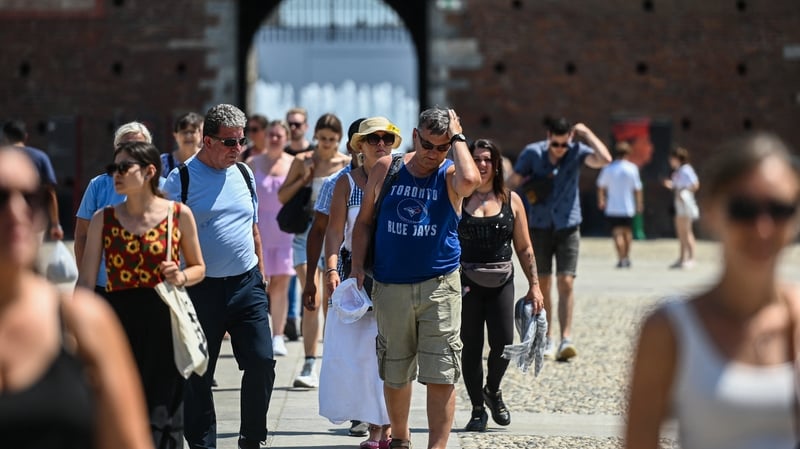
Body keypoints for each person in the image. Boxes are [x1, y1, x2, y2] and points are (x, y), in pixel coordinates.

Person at [625, 132, 800, 449]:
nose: (763, 227)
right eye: (744, 209)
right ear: (712, 212)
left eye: (779, 209)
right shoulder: (669, 329)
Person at [0, 145, 153, 449]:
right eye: (0, 197)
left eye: (32, 199)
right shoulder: (100, 204)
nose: (16, 212)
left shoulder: (83, 322)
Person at [349, 107, 481, 449]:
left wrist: (458, 136)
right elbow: (363, 222)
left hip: (439, 286)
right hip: (391, 286)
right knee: (395, 369)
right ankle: (401, 439)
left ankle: (436, 447)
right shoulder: (386, 167)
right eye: (427, 144)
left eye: (442, 147)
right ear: (414, 135)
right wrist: (357, 267)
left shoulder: (450, 173)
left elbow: (470, 182)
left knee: (441, 372)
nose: (433, 154)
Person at [162, 103, 276, 449]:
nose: (237, 148)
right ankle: (202, 443)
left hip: (246, 284)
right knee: (199, 373)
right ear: (206, 141)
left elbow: (252, 226)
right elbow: (164, 234)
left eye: (241, 141)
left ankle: (252, 438)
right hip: (200, 288)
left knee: (262, 361)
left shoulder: (244, 174)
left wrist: (261, 271)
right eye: (229, 142)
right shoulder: (179, 179)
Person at [79, 140, 206, 448]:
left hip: (164, 318)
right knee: (119, 405)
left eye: (124, 168)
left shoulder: (179, 214)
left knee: (163, 412)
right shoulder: (103, 219)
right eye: (113, 168)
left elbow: (199, 267)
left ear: (150, 172)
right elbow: (85, 282)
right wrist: (77, 332)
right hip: (116, 319)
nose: (116, 175)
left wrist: (181, 274)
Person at [319, 117, 398, 448]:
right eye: (373, 138)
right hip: (357, 273)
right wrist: (331, 269)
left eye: (387, 138)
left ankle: (389, 427)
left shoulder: (403, 179)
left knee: (394, 352)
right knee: (363, 354)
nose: (381, 143)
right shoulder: (345, 184)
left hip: (395, 273)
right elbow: (334, 231)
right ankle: (373, 425)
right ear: (360, 145)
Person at [507, 117, 612, 361]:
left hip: (568, 225)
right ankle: (548, 337)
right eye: (556, 144)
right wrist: (525, 182)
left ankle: (566, 338)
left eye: (564, 144)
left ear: (570, 140)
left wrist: (586, 133)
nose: (560, 149)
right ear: (548, 137)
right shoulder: (533, 153)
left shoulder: (576, 152)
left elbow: (605, 160)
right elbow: (511, 182)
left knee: (566, 282)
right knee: (542, 286)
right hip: (539, 225)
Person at [458, 138, 544, 432]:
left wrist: (535, 285)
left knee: (505, 344)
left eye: (487, 159)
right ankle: (477, 408)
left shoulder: (511, 199)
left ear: (496, 165)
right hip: (466, 282)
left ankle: (492, 390)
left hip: (501, 281)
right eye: (477, 159)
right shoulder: (458, 197)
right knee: (470, 347)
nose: (482, 164)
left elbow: (524, 247)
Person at [300, 116, 369, 437]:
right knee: (353, 346)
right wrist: (313, 279)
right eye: (365, 140)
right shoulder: (337, 183)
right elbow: (320, 231)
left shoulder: (394, 179)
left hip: (385, 273)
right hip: (345, 272)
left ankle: (382, 412)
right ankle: (358, 412)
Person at [278, 113, 350, 389]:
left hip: (335, 235)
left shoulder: (345, 163)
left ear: (339, 140)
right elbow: (282, 196)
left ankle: (329, 357)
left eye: (332, 140)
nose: (327, 145)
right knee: (313, 297)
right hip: (305, 233)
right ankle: (310, 361)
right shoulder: (303, 160)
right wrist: (305, 178)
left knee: (331, 300)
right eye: (322, 139)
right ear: (315, 136)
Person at [75, 121, 153, 292]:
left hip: (150, 288)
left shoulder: (162, 187)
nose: (130, 151)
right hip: (105, 285)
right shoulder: (98, 185)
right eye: (124, 146)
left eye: (137, 146)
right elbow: (82, 235)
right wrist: (86, 281)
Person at [248, 120, 295, 357]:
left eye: (279, 135)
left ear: (286, 138)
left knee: (281, 285)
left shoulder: (292, 163)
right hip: (259, 231)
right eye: (271, 135)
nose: (275, 139)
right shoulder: (252, 162)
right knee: (259, 285)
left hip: (285, 232)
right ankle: (261, 334)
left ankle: (278, 335)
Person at [2, 119, 63, 240]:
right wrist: (55, 224)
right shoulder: (40, 157)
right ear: (25, 137)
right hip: (33, 221)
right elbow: (50, 193)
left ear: (5, 138)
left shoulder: (3, 158)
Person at [596, 141, 644, 268]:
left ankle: (621, 258)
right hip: (628, 207)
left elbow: (600, 186)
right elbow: (638, 188)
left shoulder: (609, 168)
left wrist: (601, 199)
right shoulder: (632, 168)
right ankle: (627, 257)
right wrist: (639, 203)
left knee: (617, 234)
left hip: (613, 207)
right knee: (628, 233)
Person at [662, 146, 700, 269]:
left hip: (685, 203)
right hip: (678, 203)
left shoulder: (686, 169)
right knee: (680, 232)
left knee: (687, 231)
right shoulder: (678, 171)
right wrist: (672, 186)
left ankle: (692, 258)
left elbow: (695, 185)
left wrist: (683, 191)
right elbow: (678, 185)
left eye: (671, 158)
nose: (670, 161)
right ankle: (682, 258)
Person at [162, 112, 204, 177]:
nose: (188, 136)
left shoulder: (209, 160)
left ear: (200, 134)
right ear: (175, 135)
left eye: (192, 132)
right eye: (184, 132)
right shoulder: (164, 162)